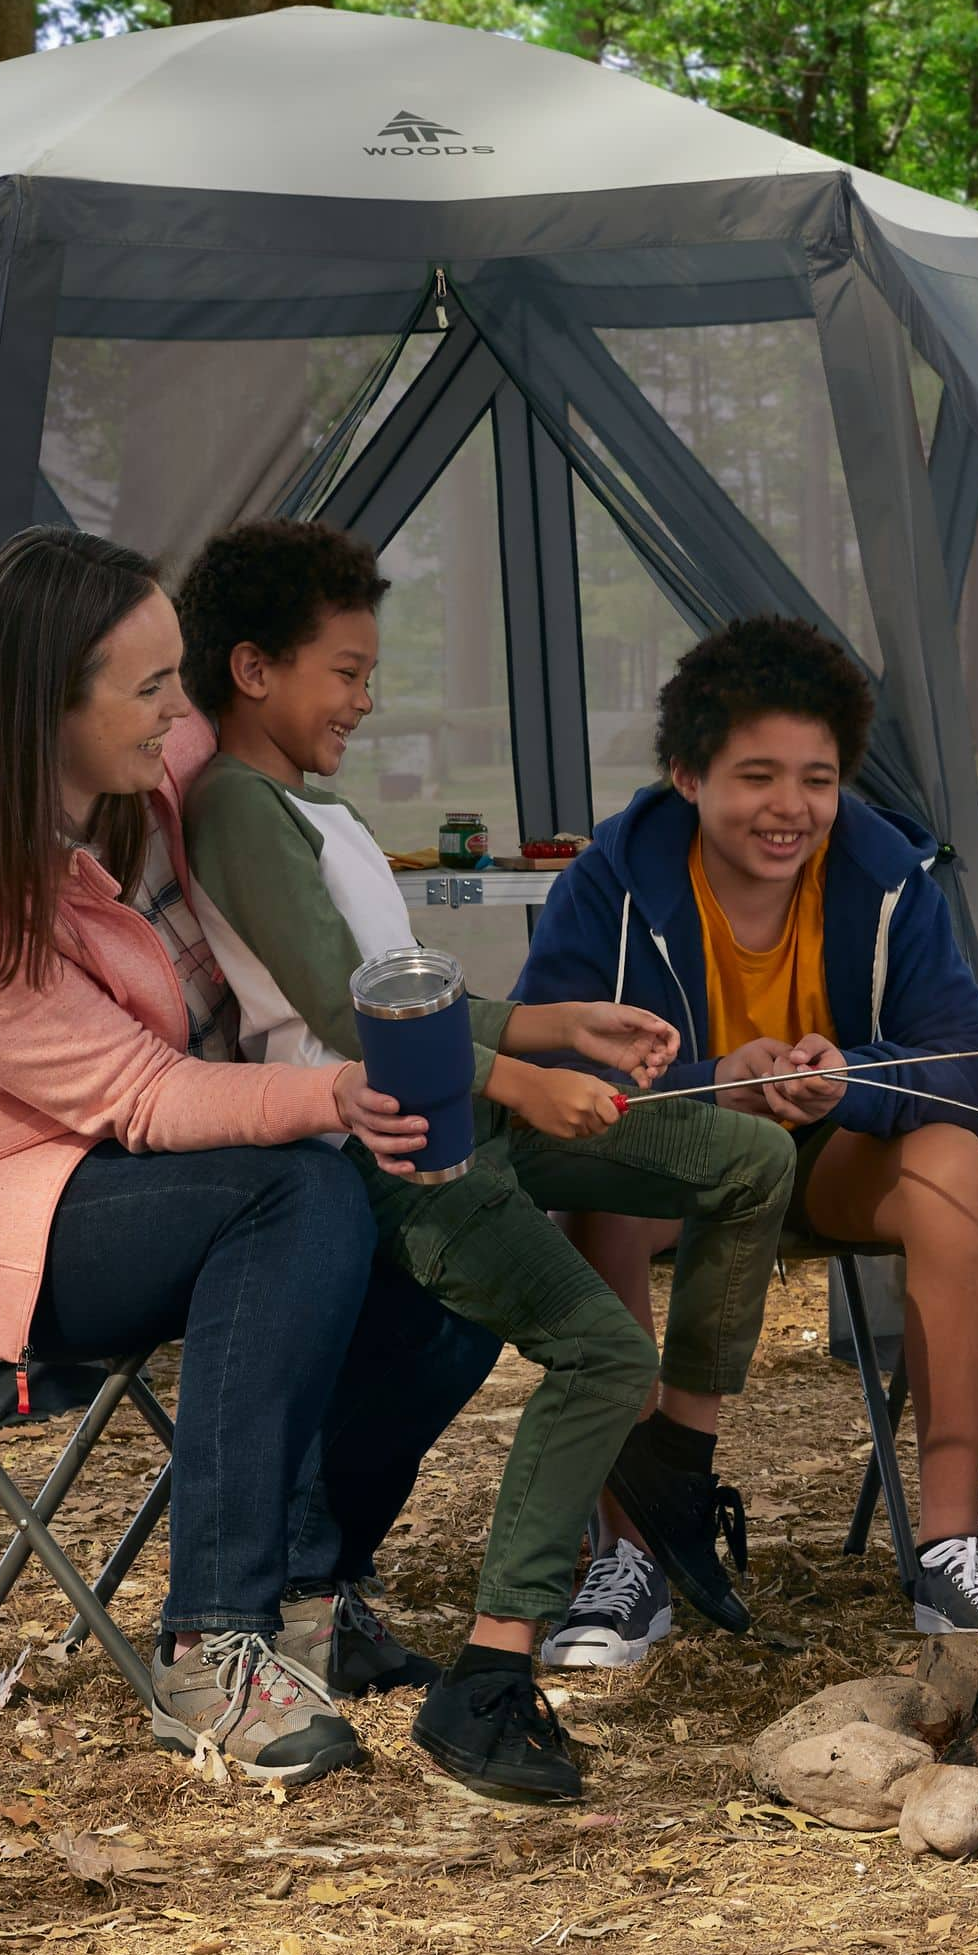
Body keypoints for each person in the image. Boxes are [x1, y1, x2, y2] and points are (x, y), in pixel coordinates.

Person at [0, 525, 499, 1790]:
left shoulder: (151, 765)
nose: (181, 711)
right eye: (151, 687)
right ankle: (215, 1643)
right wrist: (333, 1090)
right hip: (11, 1211)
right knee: (299, 1187)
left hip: (183, 1166)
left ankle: (316, 1590)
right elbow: (139, 1095)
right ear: (50, 700)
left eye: (182, 677)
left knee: (466, 1260)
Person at [175, 520, 794, 1805]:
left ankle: (673, 1469)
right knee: (603, 1348)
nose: (365, 695)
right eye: (343, 671)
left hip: (464, 1107)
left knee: (744, 1158)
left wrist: (554, 1023)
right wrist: (518, 1076)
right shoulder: (234, 806)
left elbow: (403, 991)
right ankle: (488, 1681)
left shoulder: (311, 799)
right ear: (252, 669)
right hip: (393, 1149)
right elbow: (351, 1025)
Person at [516, 616, 978, 1662]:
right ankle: (632, 1551)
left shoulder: (886, 876)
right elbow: (549, 1077)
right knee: (603, 1192)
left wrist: (849, 1079)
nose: (790, 808)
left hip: (835, 1157)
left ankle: (949, 1542)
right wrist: (722, 1085)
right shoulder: (611, 883)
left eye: (818, 777)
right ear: (687, 775)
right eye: (756, 775)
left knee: (953, 1162)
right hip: (681, 1162)